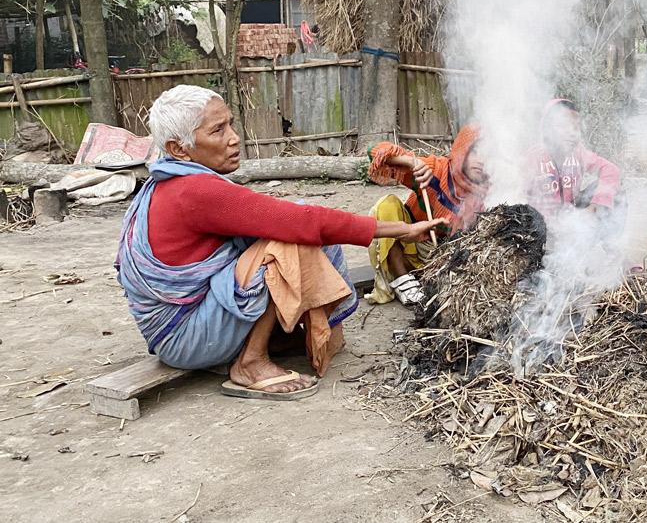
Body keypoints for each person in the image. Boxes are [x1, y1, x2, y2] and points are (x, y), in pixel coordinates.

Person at [116, 85, 441, 401]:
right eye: (218, 130)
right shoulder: (193, 191)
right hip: (185, 337)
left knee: (293, 231)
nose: (234, 137)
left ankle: (286, 337)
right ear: (178, 148)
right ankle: (250, 363)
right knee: (288, 243)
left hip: (181, 326)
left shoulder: (172, 181)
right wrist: (400, 229)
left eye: (230, 123)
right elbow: (303, 223)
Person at [365, 125, 488, 305]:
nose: (482, 161)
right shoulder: (436, 170)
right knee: (387, 204)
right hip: (410, 248)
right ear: (462, 149)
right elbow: (373, 151)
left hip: (443, 263)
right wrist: (411, 162)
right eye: (476, 152)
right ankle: (402, 281)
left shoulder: (493, 191)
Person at [526, 98, 627, 260]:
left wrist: (594, 207)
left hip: (571, 222)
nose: (572, 133)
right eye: (564, 126)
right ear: (547, 129)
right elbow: (515, 194)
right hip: (542, 231)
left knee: (616, 194)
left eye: (576, 127)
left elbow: (611, 171)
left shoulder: (578, 154)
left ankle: (606, 246)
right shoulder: (533, 158)